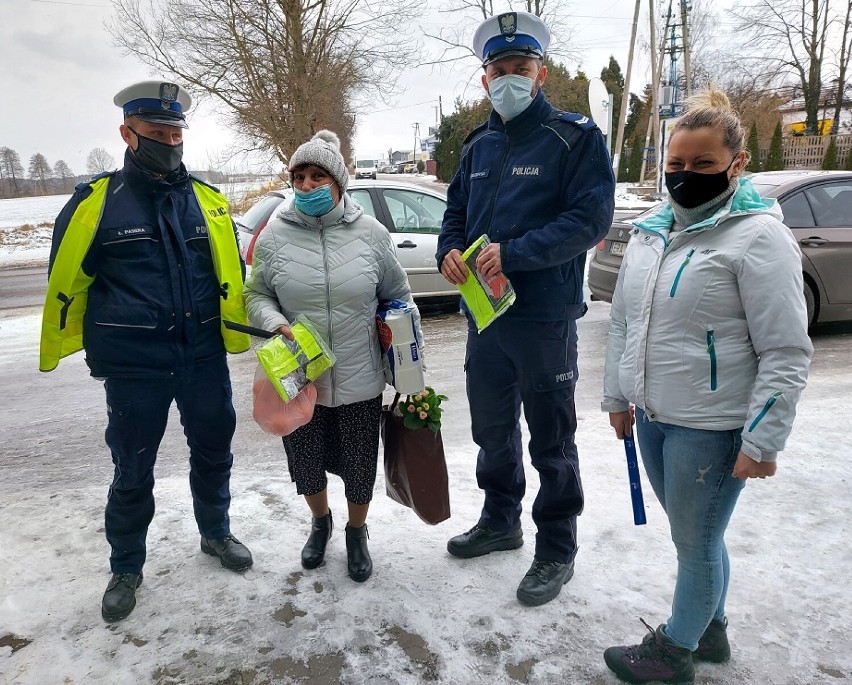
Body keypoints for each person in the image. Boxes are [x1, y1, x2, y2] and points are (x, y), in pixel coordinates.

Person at [601, 89, 812, 683]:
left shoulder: (758, 238)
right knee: (695, 536)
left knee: (695, 544)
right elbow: (622, 322)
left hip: (713, 429)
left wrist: (762, 439)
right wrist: (619, 396)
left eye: (702, 165)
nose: (685, 176)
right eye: (675, 165)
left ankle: (674, 654)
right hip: (655, 419)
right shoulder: (649, 233)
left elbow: (786, 350)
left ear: (736, 164)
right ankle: (710, 631)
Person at [40, 80, 254, 623]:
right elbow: (69, 280)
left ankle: (216, 533)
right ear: (128, 135)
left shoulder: (208, 202)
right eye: (157, 133)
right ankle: (127, 565)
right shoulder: (95, 204)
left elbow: (232, 275)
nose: (169, 142)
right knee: (132, 468)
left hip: (202, 355)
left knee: (214, 452)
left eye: (176, 133)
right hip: (135, 367)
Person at [436, 11, 615, 607]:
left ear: (540, 75)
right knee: (491, 427)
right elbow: (455, 215)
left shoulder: (576, 137)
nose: (509, 78)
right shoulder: (478, 144)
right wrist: (447, 255)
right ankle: (500, 519)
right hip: (485, 318)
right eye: (498, 70)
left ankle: (557, 546)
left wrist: (516, 253)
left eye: (521, 68)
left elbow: (590, 221)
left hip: (544, 318)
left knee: (551, 437)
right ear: (484, 77)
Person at [244, 130, 423, 583]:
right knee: (306, 462)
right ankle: (320, 522)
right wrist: (274, 323)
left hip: (361, 375)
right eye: (299, 176)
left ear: (339, 182)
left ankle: (357, 532)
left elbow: (398, 295)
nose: (306, 185)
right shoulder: (274, 237)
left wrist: (403, 350)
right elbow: (256, 294)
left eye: (317, 176)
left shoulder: (372, 234)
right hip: (301, 379)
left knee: (360, 465)